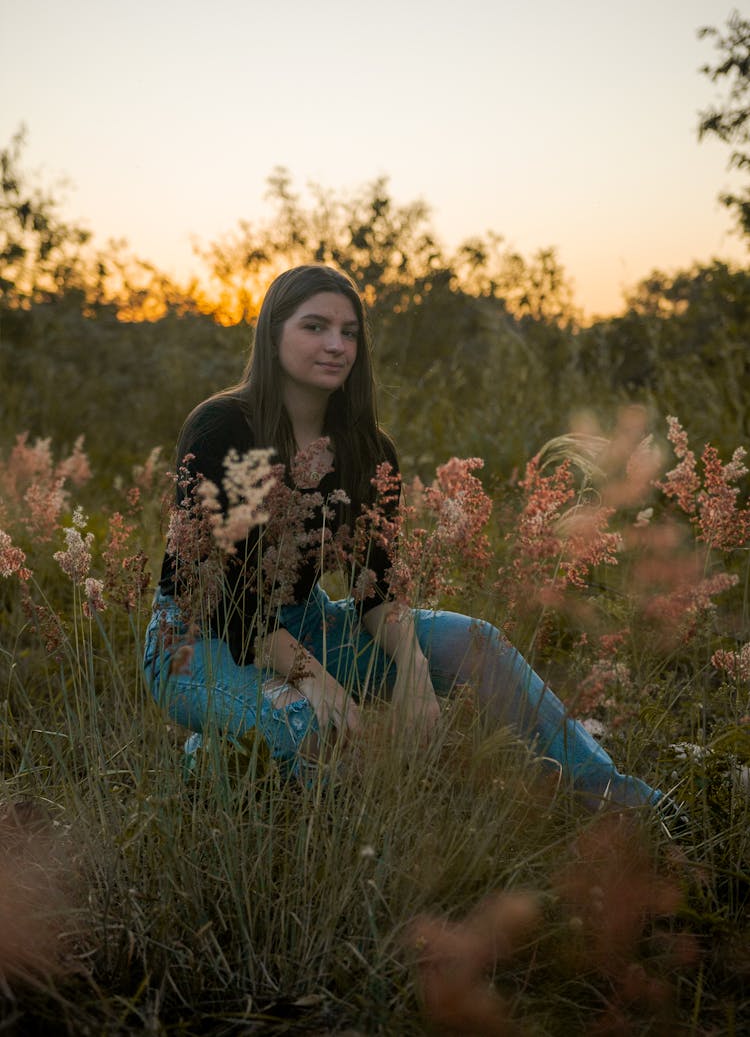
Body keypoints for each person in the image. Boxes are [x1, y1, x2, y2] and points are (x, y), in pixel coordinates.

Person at [143, 264, 665, 813]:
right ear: (273, 335)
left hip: (305, 623)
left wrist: (415, 676)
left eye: (349, 332)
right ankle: (221, 758)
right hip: (198, 639)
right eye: (315, 327)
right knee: (319, 726)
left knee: (476, 642)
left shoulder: (368, 449)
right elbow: (234, 603)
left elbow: (377, 587)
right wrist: (316, 682)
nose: (336, 345)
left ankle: (623, 803)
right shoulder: (222, 427)